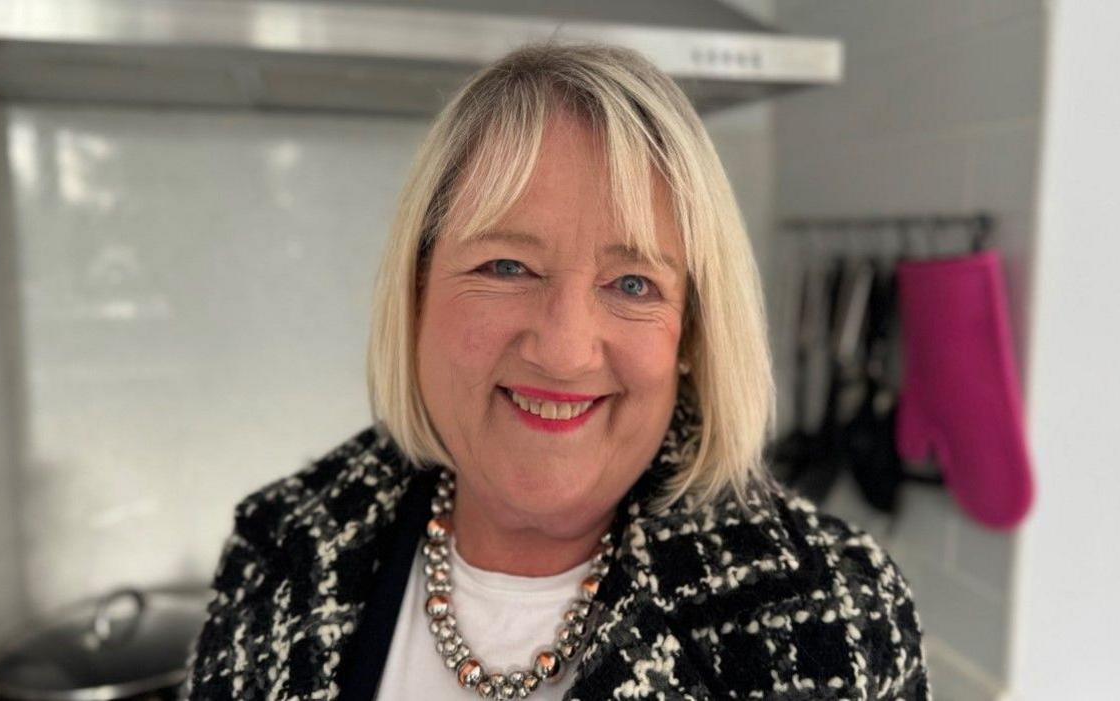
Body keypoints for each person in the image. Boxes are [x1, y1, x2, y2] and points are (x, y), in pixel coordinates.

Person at [181, 42, 930, 700]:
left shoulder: (834, 619)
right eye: (506, 266)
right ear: (415, 294)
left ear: (692, 332)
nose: (565, 349)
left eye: (633, 283)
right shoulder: (283, 543)